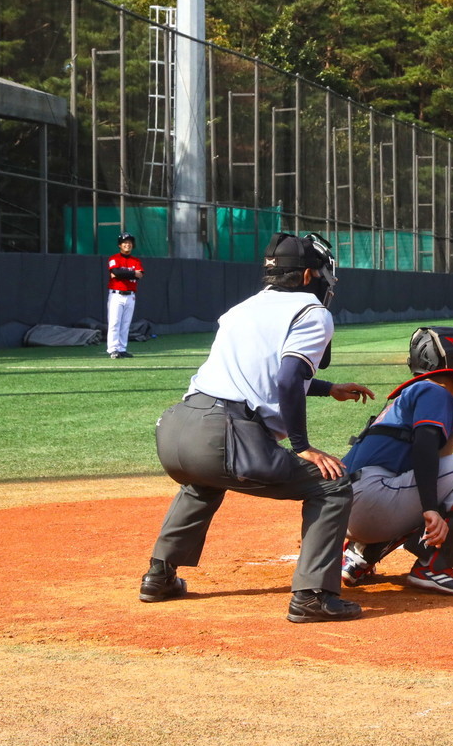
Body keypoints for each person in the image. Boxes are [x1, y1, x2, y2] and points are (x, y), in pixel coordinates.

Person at [139, 232, 375, 623]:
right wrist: (302, 446)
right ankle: (312, 596)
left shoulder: (242, 308)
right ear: (305, 277)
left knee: (204, 481)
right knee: (332, 484)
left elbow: (255, 375)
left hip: (177, 428)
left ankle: (159, 576)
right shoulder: (311, 311)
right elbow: (284, 380)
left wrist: (326, 388)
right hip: (224, 433)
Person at [340, 327, 453, 596]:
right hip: (372, 503)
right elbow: (425, 448)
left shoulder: (415, 394)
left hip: (344, 510)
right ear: (446, 361)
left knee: (427, 476)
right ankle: (437, 568)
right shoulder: (436, 392)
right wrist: (429, 509)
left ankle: (360, 555)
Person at [107, 232, 144, 358]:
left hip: (130, 295)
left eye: (129, 242)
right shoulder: (114, 258)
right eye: (125, 243)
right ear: (120, 245)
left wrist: (124, 273)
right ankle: (113, 349)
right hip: (116, 295)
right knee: (114, 323)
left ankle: (122, 348)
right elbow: (116, 272)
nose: (127, 245)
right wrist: (133, 273)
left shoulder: (136, 260)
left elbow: (140, 275)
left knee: (126, 323)